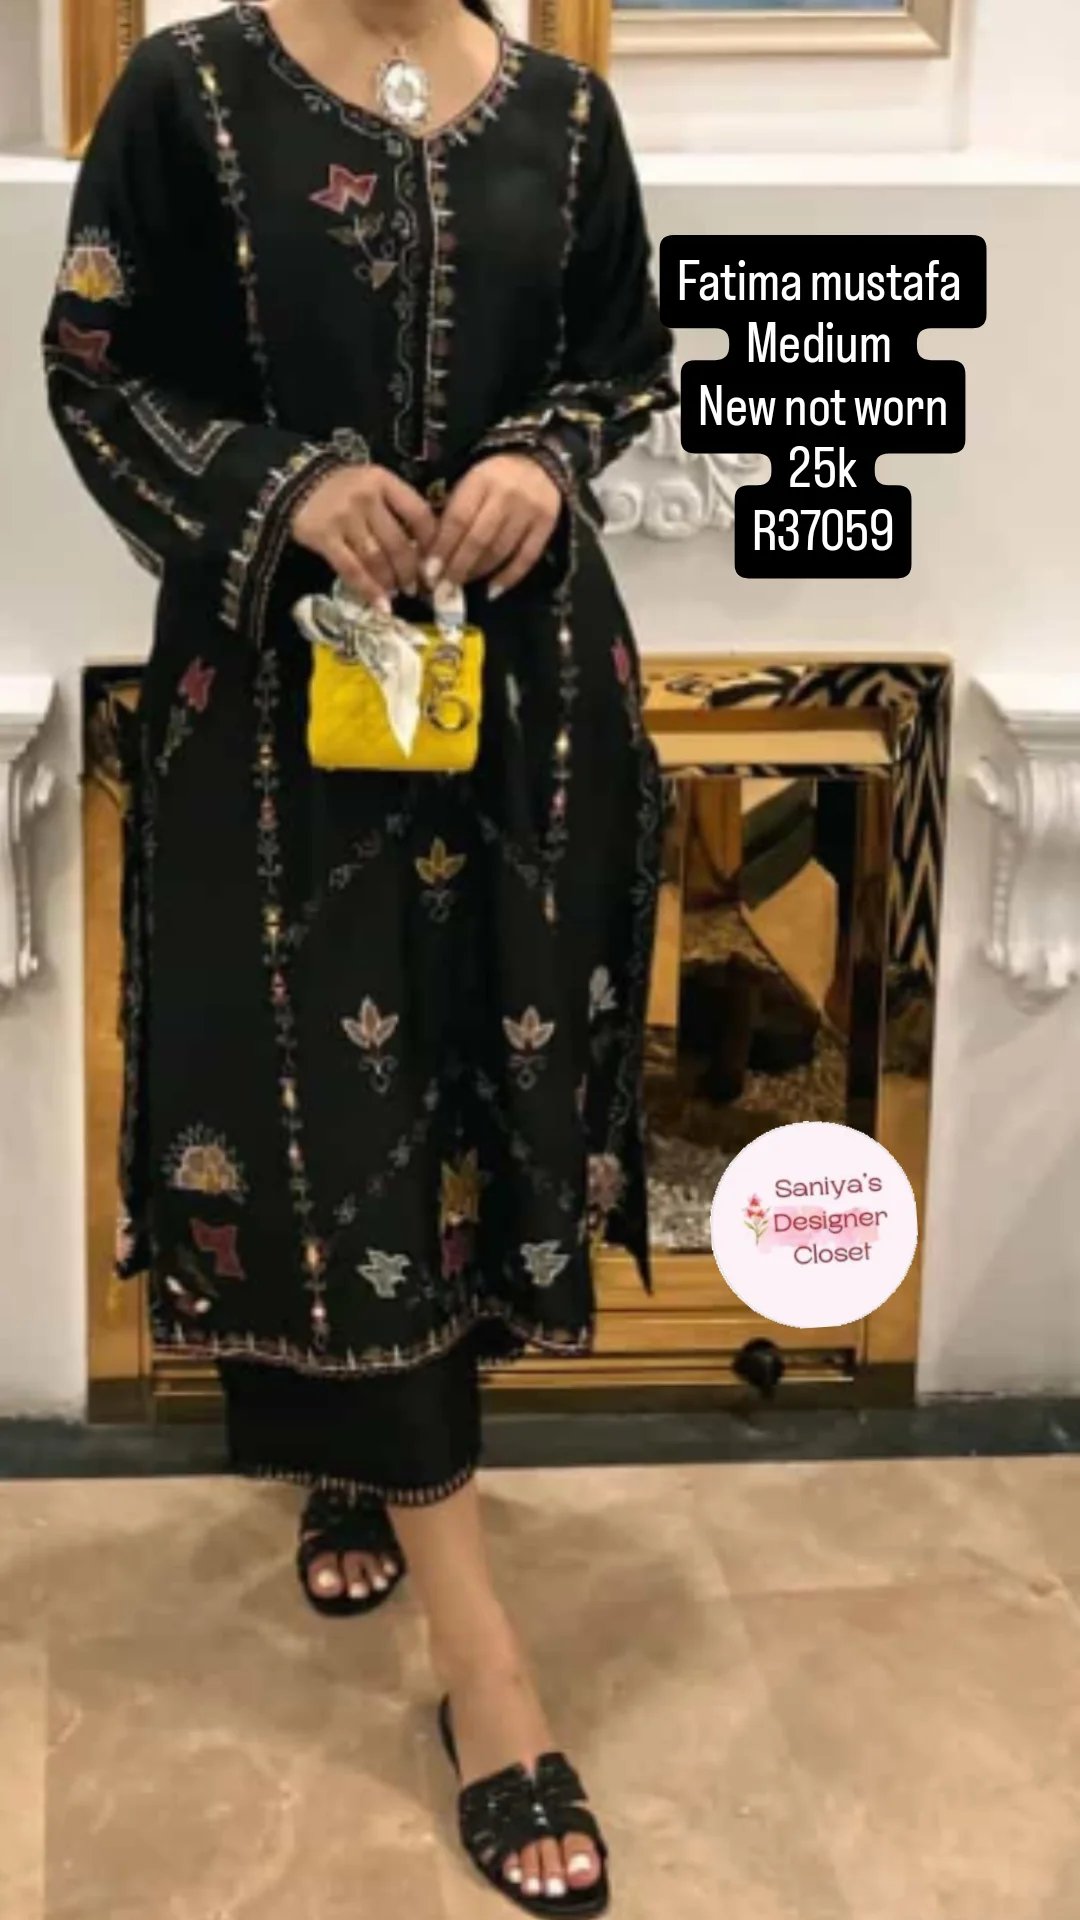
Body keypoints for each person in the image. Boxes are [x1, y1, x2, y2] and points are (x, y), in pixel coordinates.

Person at [44, 0, 674, 1908]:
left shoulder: (567, 116)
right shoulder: (187, 94)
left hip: (521, 707)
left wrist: (548, 457)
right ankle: (487, 1674)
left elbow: (624, 353)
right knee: (324, 1126)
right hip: (274, 728)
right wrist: (285, 488)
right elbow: (94, 366)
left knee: (470, 1105)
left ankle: (363, 1462)